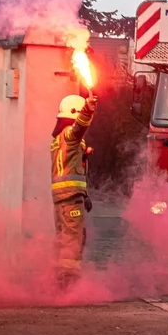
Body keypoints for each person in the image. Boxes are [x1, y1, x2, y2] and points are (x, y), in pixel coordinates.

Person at [51, 93, 98, 290]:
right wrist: (89, 107)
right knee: (73, 238)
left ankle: (57, 280)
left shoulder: (59, 139)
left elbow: (72, 167)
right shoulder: (70, 133)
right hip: (70, 197)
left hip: (64, 197)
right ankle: (68, 285)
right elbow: (80, 127)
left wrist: (85, 195)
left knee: (63, 239)